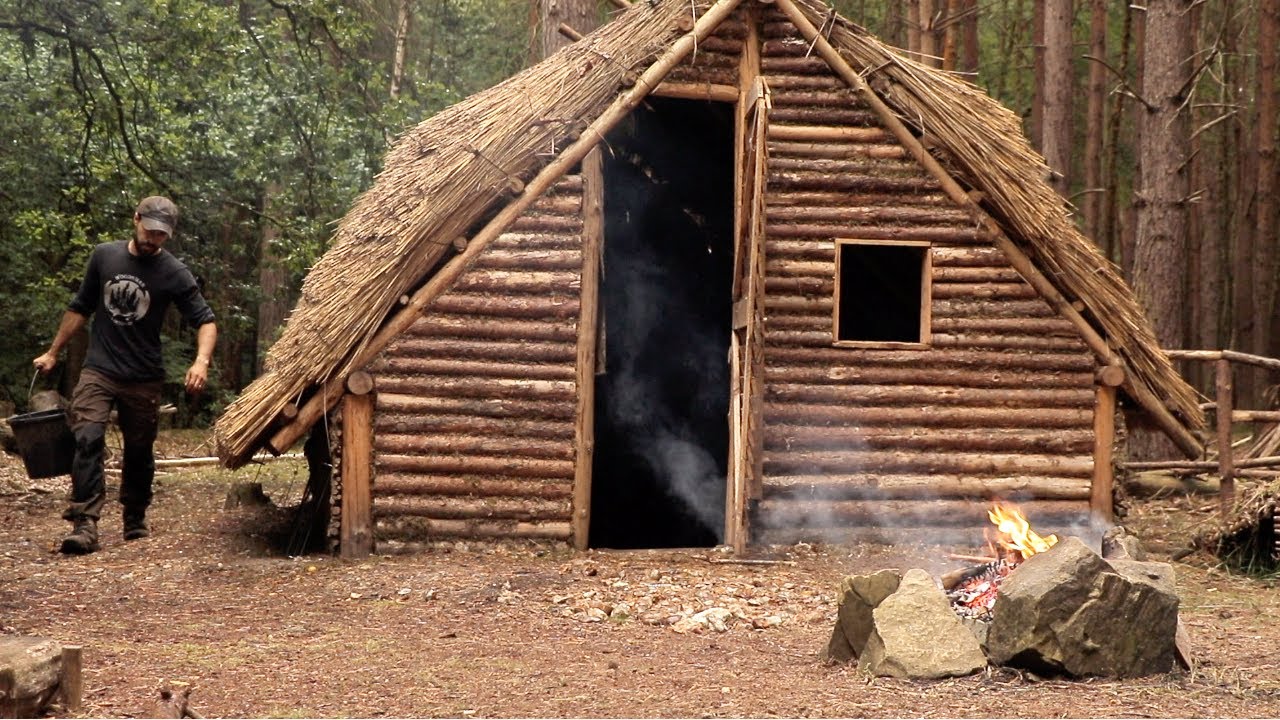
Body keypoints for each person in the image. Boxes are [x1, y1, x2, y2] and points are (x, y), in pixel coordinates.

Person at [33, 196, 217, 555]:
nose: (153, 239)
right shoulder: (105, 256)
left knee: (139, 449)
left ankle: (134, 515)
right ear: (135, 219)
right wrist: (52, 352)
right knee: (86, 436)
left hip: (144, 375)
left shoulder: (174, 272)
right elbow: (80, 307)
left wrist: (201, 361)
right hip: (99, 368)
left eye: (161, 235)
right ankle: (84, 523)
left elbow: (205, 320)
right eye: (149, 231)